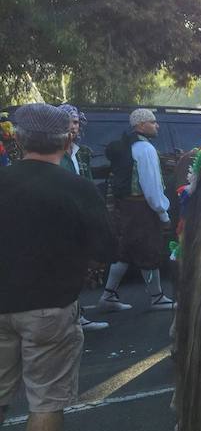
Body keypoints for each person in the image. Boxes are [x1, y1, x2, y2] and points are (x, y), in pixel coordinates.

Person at [0, 103, 115, 431]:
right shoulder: (76, 188)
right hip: (50, 308)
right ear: (67, 139)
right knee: (46, 399)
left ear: (16, 138)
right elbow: (105, 249)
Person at [98, 109, 176, 312]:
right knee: (149, 249)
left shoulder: (128, 146)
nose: (157, 125)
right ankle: (157, 297)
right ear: (141, 125)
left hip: (126, 206)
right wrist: (163, 213)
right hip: (142, 207)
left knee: (126, 250)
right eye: (153, 122)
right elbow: (152, 187)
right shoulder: (145, 149)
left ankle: (108, 295)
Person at [58, 105, 109, 332]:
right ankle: (69, 317)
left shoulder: (82, 152)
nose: (73, 126)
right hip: (62, 217)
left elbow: (87, 183)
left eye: (76, 122)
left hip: (82, 217)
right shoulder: (54, 154)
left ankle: (78, 314)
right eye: (68, 121)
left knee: (80, 267)